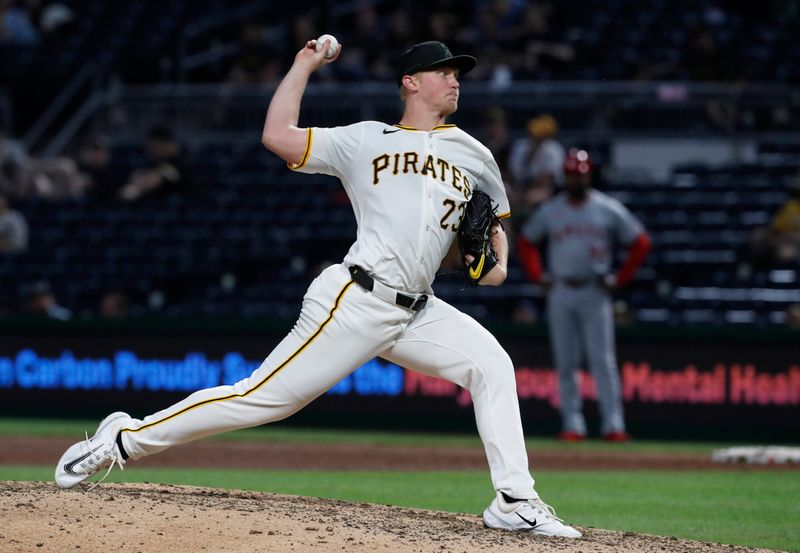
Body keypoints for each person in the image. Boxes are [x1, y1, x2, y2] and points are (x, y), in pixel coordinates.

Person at [54, 39, 581, 539]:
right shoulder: (366, 138)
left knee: (492, 365)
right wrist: (304, 65)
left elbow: (493, 248)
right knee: (262, 399)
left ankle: (513, 502)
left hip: (419, 310)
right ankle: (121, 440)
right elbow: (278, 135)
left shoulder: (474, 153)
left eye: (458, 74)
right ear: (410, 82)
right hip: (355, 301)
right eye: (442, 71)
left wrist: (492, 260)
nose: (454, 80)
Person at [517, 149, 651, 442]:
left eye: (581, 174)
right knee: (566, 362)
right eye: (572, 175)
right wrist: (538, 276)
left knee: (602, 361)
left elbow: (640, 242)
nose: (576, 179)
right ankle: (572, 424)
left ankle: (613, 424)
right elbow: (527, 240)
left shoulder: (606, 208)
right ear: (565, 177)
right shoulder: (552, 209)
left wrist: (621, 278)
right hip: (562, 289)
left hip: (595, 290)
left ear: (589, 175)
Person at [118, 126, 190, 202]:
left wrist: (136, 188)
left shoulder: (182, 161)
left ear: (166, 143)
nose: (150, 149)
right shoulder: (151, 161)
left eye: (155, 145)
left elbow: (158, 178)